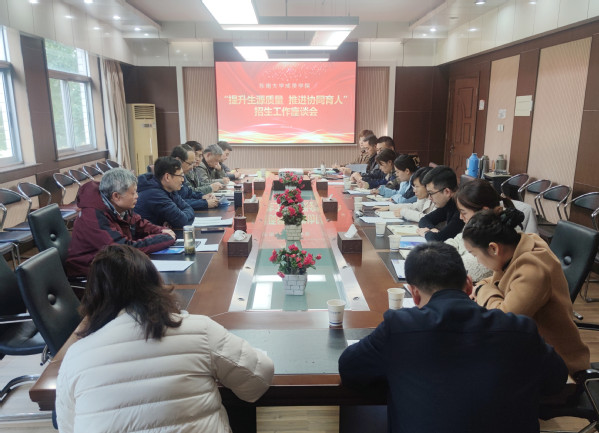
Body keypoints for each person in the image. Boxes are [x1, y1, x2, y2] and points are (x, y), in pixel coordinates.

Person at [338, 242, 567, 433]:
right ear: (468, 285)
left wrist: (400, 379)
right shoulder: (521, 329)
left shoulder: (399, 327)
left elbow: (350, 369)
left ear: (414, 293)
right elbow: (556, 381)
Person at [56, 245, 274, 433]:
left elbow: (68, 426)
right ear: (155, 283)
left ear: (94, 296)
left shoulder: (75, 356)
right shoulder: (198, 330)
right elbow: (257, 379)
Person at [463, 207, 590, 374]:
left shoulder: (532, 269)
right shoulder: (515, 249)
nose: (478, 262)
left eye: (475, 255)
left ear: (493, 248)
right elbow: (495, 281)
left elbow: (504, 322)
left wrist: (481, 290)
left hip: (557, 365)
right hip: (529, 349)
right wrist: (483, 287)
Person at [65, 168, 176, 277]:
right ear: (116, 196)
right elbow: (121, 250)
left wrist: (162, 230)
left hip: (113, 266)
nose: (137, 196)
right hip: (91, 273)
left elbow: (140, 224)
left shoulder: (120, 206)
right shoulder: (92, 216)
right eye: (133, 193)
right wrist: (163, 238)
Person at [134, 156, 195, 228]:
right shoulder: (155, 194)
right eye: (180, 176)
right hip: (146, 233)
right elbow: (181, 220)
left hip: (159, 231)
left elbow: (188, 208)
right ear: (167, 177)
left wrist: (176, 218)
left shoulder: (169, 189)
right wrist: (177, 218)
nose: (183, 180)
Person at [417, 165, 464, 241]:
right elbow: (424, 220)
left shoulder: (461, 210)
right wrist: (432, 229)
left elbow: (439, 239)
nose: (429, 198)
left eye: (431, 193)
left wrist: (426, 233)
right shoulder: (448, 202)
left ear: (447, 192)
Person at [171, 145, 219, 210]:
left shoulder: (181, 174)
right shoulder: (170, 177)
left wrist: (202, 196)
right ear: (178, 160)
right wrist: (205, 203)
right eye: (190, 164)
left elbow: (189, 192)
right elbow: (178, 202)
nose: (192, 167)